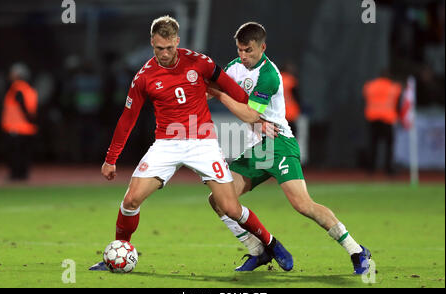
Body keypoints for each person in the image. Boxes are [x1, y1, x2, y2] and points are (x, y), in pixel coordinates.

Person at [89, 16, 293, 271]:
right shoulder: (144, 77)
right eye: (158, 48)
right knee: (130, 200)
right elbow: (127, 120)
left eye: (169, 48)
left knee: (230, 207)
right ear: (152, 42)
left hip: (202, 143)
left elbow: (235, 92)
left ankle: (271, 244)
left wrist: (258, 119)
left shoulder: (201, 62)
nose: (164, 54)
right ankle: (118, 253)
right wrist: (111, 158)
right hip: (166, 144)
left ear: (177, 41)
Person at [207, 22, 371, 274]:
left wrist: (218, 95)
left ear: (262, 47)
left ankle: (357, 250)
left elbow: (251, 115)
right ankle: (258, 250)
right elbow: (212, 88)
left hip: (278, 144)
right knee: (218, 200)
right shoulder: (235, 67)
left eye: (248, 50)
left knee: (303, 205)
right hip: (256, 149)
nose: (243, 56)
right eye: (240, 50)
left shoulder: (270, 75)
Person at [1, 63, 38, 181]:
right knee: (24, 154)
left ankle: (16, 175)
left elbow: (22, 106)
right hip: (27, 127)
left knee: (15, 154)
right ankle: (22, 175)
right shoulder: (29, 89)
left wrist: (26, 118)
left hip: (17, 127)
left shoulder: (17, 88)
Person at [363, 70, 402, 175]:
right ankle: (388, 168)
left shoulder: (370, 86)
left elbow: (365, 98)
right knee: (389, 145)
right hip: (387, 119)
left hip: (373, 118)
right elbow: (397, 101)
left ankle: (370, 168)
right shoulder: (393, 87)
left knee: (373, 144)